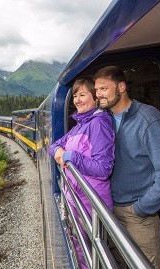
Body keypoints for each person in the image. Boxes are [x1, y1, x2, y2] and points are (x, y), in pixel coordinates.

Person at [94, 66, 160, 269]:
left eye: (104, 89)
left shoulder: (149, 120)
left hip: (138, 215)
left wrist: (142, 208)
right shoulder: (103, 119)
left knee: (144, 265)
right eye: (97, 90)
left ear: (122, 87)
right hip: (111, 209)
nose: (98, 94)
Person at [48, 77, 115, 268]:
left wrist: (69, 156)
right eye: (75, 95)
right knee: (81, 253)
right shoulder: (80, 125)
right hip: (77, 201)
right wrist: (59, 151)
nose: (77, 100)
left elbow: (103, 169)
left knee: (92, 257)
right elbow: (53, 146)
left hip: (90, 204)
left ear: (95, 98)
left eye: (82, 94)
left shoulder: (99, 123)